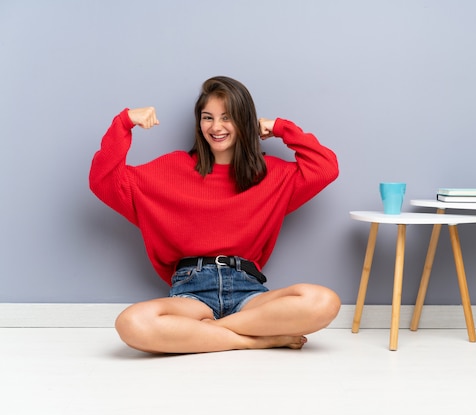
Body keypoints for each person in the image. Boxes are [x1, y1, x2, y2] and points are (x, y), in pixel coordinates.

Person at [89, 76, 340, 353]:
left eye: (227, 117)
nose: (216, 127)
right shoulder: (171, 168)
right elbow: (104, 181)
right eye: (208, 117)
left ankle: (205, 335)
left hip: (249, 292)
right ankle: (255, 339)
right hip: (191, 293)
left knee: (324, 301)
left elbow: (325, 167)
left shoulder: (271, 174)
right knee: (132, 323)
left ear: (244, 121)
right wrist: (124, 123)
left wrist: (281, 128)